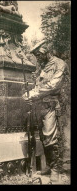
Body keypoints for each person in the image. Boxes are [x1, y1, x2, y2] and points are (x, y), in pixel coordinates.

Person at [22, 40, 69, 182]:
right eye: (36, 55)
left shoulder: (60, 64)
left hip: (52, 106)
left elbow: (53, 85)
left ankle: (56, 169)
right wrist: (30, 96)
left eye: (39, 54)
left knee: (51, 137)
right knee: (43, 137)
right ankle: (50, 165)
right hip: (39, 106)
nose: (38, 58)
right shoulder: (42, 66)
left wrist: (34, 94)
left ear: (46, 51)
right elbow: (39, 85)